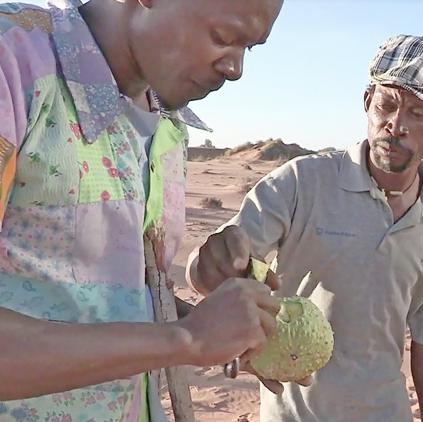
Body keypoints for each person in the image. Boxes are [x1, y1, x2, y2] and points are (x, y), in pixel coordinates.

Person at [0, 0, 283, 420]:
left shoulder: (167, 123)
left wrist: (218, 324)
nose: (235, 69)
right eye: (223, 38)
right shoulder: (13, 59)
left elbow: (110, 306)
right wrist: (183, 340)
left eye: (250, 48)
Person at [187, 34, 423, 422]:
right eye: (386, 105)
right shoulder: (302, 182)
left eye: (419, 114)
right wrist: (211, 265)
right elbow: (217, 264)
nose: (395, 126)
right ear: (367, 102)